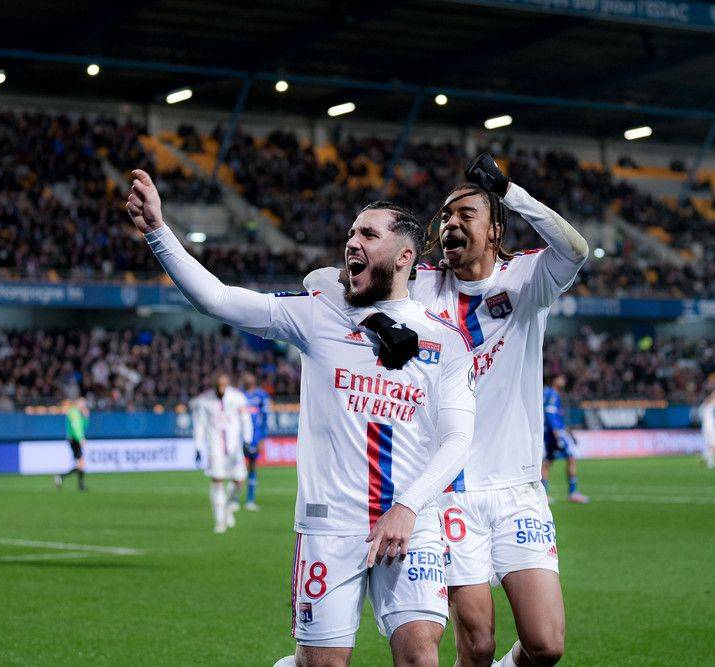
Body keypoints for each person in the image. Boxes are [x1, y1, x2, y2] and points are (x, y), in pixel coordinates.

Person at [127, 169, 476, 666]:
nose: (352, 242)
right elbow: (218, 299)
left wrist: (411, 506)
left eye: (368, 234)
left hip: (410, 523)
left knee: (421, 655)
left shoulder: (445, 342)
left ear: (405, 257)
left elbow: (458, 439)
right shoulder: (316, 316)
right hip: (329, 526)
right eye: (352, 232)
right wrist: (158, 232)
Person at [306, 152, 588, 666]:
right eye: (446, 216)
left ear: (496, 229)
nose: (452, 224)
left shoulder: (527, 280)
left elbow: (576, 248)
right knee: (475, 643)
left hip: (517, 487)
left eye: (467, 215)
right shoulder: (423, 284)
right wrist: (375, 321)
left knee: (546, 646)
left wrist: (512, 193)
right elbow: (322, 280)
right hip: (449, 491)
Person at [191, 372, 252, 533]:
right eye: (219, 386)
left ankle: (229, 505)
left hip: (234, 447)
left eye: (224, 385)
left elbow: (246, 419)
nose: (221, 389)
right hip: (215, 447)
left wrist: (247, 439)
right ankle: (219, 521)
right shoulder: (204, 401)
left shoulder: (238, 398)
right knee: (217, 480)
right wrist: (198, 447)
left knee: (239, 480)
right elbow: (199, 425)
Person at [542, 375, 589, 504]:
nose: (564, 380)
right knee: (570, 459)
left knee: (547, 462)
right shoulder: (552, 394)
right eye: (560, 378)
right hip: (554, 433)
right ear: (554, 380)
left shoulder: (546, 392)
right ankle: (573, 492)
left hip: (550, 432)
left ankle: (543, 495)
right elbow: (550, 415)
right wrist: (558, 435)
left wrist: (569, 433)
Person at [241, 371, 271, 511]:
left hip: (255, 437)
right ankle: (234, 499)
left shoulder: (261, 395)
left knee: (252, 466)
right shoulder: (238, 395)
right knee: (237, 467)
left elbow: (265, 418)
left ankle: (250, 500)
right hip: (239, 437)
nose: (246, 377)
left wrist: (262, 439)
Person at [55, 398, 89, 491]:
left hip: (75, 439)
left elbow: (83, 426)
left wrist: (86, 417)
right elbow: (76, 427)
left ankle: (79, 484)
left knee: (81, 463)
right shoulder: (74, 413)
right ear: (79, 404)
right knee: (81, 463)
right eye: (83, 404)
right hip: (74, 440)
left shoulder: (77, 413)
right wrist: (81, 439)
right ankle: (63, 477)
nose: (84, 406)